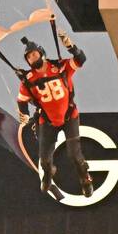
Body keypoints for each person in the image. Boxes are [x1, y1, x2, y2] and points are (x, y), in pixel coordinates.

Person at [16, 28, 93, 197]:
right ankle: (48, 174)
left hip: (69, 116)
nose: (31, 58)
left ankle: (85, 179)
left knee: (74, 154)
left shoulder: (59, 67)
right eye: (28, 57)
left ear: (41, 52)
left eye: (34, 54)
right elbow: (22, 100)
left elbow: (81, 59)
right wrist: (24, 114)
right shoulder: (28, 80)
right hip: (47, 120)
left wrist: (71, 46)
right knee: (44, 158)